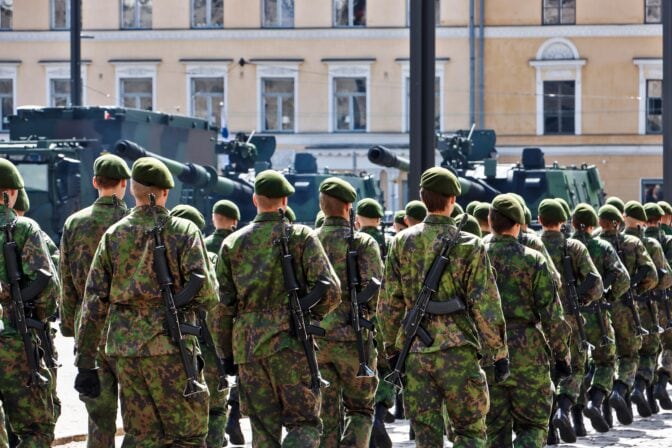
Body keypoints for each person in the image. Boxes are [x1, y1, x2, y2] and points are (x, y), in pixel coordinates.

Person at [75, 157, 218, 446]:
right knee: (187, 436)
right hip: (172, 347)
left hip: (127, 353)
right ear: (165, 192)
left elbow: (93, 302)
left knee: (142, 437)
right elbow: (208, 293)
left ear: (133, 190)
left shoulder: (114, 235)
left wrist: (86, 361)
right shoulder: (184, 231)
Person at [379, 167, 509, 447]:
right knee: (470, 432)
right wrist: (499, 353)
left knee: (426, 437)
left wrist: (392, 349)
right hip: (459, 353)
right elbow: (486, 304)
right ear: (452, 200)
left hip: (416, 354)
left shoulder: (401, 242)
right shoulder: (470, 244)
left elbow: (388, 304)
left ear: (422, 198)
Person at [216, 170, 341, 447]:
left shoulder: (232, 243)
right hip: (291, 344)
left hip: (249, 348)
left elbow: (222, 308)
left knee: (262, 430)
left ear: (255, 200)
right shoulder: (301, 236)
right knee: (305, 424)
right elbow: (331, 290)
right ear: (285, 200)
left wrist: (226, 353)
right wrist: (309, 315)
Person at [484, 194, 570, 447]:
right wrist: (562, 355)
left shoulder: (474, 256)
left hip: (486, 351)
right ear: (518, 225)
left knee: (493, 430)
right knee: (533, 427)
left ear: (490, 221)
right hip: (528, 353)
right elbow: (552, 316)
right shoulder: (533, 259)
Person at [59, 154, 130, 447]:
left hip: (90, 328)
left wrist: (69, 325)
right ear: (124, 184)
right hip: (131, 331)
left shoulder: (74, 223)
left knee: (99, 419)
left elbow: (66, 281)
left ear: (94, 182)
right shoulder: (132, 223)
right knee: (139, 420)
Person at [314, 177, 383, 448]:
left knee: (325, 413)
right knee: (361, 409)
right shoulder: (364, 242)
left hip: (317, 341)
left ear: (322, 207)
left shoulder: (307, 241)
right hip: (355, 342)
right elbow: (376, 292)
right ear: (348, 207)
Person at [0, 158, 60, 447]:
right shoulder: (23, 228)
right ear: (10, 193)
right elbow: (47, 286)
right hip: (16, 340)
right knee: (37, 429)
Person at [538, 199, 603, 444]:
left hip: (541, 321)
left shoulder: (532, 245)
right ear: (563, 221)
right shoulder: (573, 247)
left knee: (546, 372)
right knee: (575, 368)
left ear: (540, 220)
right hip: (571, 319)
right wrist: (582, 298)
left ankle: (548, 429)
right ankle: (563, 410)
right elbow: (596, 284)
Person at [571, 204, 630, 433]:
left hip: (569, 316)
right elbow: (623, 278)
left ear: (573, 223)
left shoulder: (565, 246)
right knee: (605, 362)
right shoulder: (602, 246)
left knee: (575, 367)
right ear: (593, 225)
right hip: (597, 315)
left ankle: (576, 421)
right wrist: (609, 296)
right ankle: (595, 402)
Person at [597, 204, 657, 426]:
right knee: (629, 355)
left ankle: (602, 410)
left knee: (602, 359)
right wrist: (636, 291)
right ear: (618, 222)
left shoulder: (593, 244)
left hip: (598, 309)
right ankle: (620, 390)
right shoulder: (633, 243)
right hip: (625, 307)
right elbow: (652, 275)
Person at [623, 201, 672, 417]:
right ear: (662, 219)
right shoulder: (658, 242)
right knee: (656, 349)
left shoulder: (618, 241)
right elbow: (666, 277)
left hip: (623, 305)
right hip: (657, 303)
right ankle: (655, 385)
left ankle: (642, 398)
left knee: (629, 351)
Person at [202, 199, 245, 445]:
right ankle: (234, 413)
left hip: (206, 323)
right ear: (234, 221)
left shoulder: (203, 245)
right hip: (237, 321)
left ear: (213, 218)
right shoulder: (240, 245)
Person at [643, 203, 672, 410]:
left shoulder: (637, 240)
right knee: (669, 346)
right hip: (666, 301)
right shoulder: (668, 240)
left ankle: (649, 397)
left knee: (648, 348)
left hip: (640, 303)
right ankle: (661, 382)